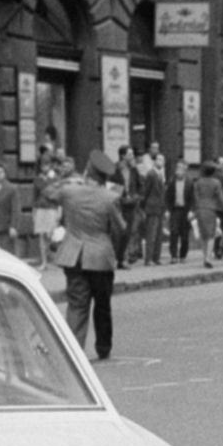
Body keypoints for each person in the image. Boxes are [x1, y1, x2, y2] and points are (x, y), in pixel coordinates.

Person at [43, 149, 126, 360]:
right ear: (105, 177)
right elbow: (121, 228)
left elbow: (47, 192)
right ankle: (103, 347)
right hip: (101, 257)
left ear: (87, 171)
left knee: (77, 304)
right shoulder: (111, 197)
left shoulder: (70, 191)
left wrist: (69, 180)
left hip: (73, 255)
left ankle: (74, 351)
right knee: (102, 304)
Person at [193, 161, 223, 268]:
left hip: (200, 208)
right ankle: (208, 257)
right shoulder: (216, 182)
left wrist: (195, 209)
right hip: (211, 209)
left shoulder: (198, 182)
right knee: (211, 234)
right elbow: (221, 199)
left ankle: (205, 256)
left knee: (203, 234)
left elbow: (195, 197)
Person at [138, 153, 166, 264]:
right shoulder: (151, 174)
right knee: (151, 234)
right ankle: (148, 258)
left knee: (159, 235)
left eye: (162, 160)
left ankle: (156, 257)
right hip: (152, 207)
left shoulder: (160, 174)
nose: (161, 162)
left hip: (160, 208)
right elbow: (146, 190)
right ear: (154, 161)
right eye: (159, 159)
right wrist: (144, 206)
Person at [165, 158, 192, 262]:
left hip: (185, 210)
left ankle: (183, 255)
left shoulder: (189, 182)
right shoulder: (172, 182)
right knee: (174, 232)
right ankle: (173, 255)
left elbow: (192, 198)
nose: (178, 172)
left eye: (181, 170)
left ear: (185, 171)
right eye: (177, 170)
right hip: (175, 210)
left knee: (185, 235)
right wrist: (167, 210)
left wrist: (191, 211)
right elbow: (167, 197)